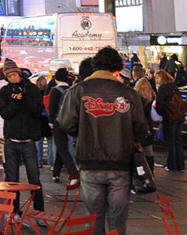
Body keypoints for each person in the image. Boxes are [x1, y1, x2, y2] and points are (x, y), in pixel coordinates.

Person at [58, 46, 145, 235]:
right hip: (120, 164)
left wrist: (83, 132)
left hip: (90, 163)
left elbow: (65, 123)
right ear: (117, 68)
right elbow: (142, 128)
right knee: (117, 221)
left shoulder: (78, 91)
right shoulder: (128, 93)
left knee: (93, 219)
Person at [0, 60, 47, 213]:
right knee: (12, 180)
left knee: (34, 179)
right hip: (11, 141)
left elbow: (38, 111)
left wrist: (25, 99)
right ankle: (14, 211)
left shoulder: (31, 89)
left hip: (28, 141)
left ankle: (39, 210)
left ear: (19, 74)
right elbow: (4, 113)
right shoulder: (5, 91)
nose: (13, 78)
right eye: (9, 76)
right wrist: (14, 103)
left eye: (14, 74)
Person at [155, 69, 186, 172]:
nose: (156, 80)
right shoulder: (174, 86)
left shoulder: (162, 88)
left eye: (157, 77)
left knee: (170, 142)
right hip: (179, 116)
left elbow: (159, 104)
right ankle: (180, 165)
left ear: (162, 77)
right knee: (178, 141)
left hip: (170, 117)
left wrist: (160, 112)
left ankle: (172, 165)